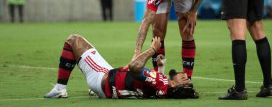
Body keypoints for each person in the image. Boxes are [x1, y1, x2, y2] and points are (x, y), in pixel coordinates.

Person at [44, 34, 199, 99]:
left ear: (174, 84)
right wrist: (160, 68)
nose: (184, 75)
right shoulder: (163, 87)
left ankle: (60, 88)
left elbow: (134, 67)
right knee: (83, 55)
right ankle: (92, 90)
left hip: (102, 78)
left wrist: (152, 49)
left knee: (73, 40)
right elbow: (151, 83)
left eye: (184, 79)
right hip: (111, 80)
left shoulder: (162, 84)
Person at [133, 0, 210, 80]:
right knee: (158, 31)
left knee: (187, 30)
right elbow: (146, 21)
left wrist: (193, 11)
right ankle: (158, 77)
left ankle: (187, 79)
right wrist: (137, 52)